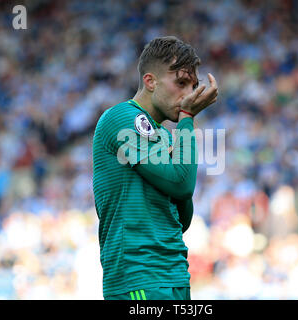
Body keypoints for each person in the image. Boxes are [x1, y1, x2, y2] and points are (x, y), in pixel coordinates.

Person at [92, 36, 218, 300]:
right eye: (181, 83)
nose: (189, 94)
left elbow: (181, 217)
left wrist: (183, 138)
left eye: (194, 86)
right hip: (139, 277)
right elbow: (181, 185)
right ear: (150, 81)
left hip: (175, 275)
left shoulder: (163, 135)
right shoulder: (122, 118)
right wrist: (186, 122)